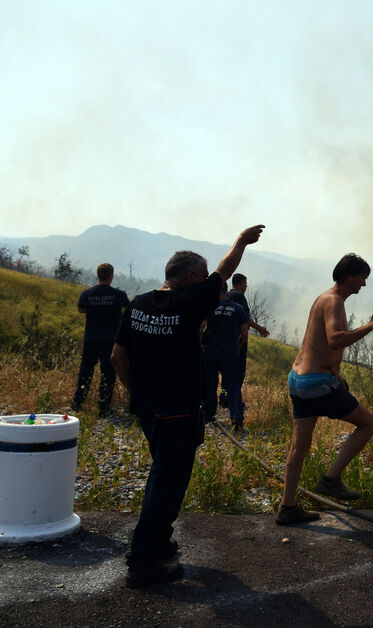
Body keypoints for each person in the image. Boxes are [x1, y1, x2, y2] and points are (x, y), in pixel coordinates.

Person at [111, 225, 264, 588]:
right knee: (167, 484)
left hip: (150, 411)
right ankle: (144, 561)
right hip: (177, 411)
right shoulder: (191, 303)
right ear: (193, 276)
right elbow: (224, 272)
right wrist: (241, 241)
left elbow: (118, 357)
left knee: (162, 473)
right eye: (202, 275)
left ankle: (159, 542)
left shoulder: (138, 305)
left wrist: (139, 395)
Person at [278, 253, 373, 526]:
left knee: (299, 446)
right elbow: (335, 340)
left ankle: (288, 507)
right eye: (362, 277)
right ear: (350, 276)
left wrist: (336, 374)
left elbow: (317, 345)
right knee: (368, 424)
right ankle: (331, 480)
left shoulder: (323, 298)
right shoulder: (335, 301)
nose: (364, 284)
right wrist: (371, 325)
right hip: (316, 383)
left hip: (299, 379)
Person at [72, 263, 129, 417]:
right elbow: (127, 311)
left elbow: (80, 309)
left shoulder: (87, 293)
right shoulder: (119, 295)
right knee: (108, 373)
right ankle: (103, 408)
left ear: (98, 275)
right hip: (111, 340)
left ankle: (78, 402)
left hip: (91, 338)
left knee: (86, 369)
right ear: (111, 275)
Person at [202, 281, 250, 430]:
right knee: (233, 385)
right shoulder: (238, 309)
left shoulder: (210, 307)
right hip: (230, 353)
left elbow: (201, 327)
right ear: (226, 291)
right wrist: (237, 346)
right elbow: (244, 333)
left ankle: (208, 414)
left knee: (210, 384)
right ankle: (236, 417)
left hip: (211, 352)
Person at [223, 273, 270, 406]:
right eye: (245, 283)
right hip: (238, 339)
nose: (246, 286)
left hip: (228, 338)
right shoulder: (238, 296)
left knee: (228, 370)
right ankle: (234, 400)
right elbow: (245, 319)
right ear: (241, 283)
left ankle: (224, 397)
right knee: (238, 369)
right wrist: (260, 328)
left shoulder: (228, 295)